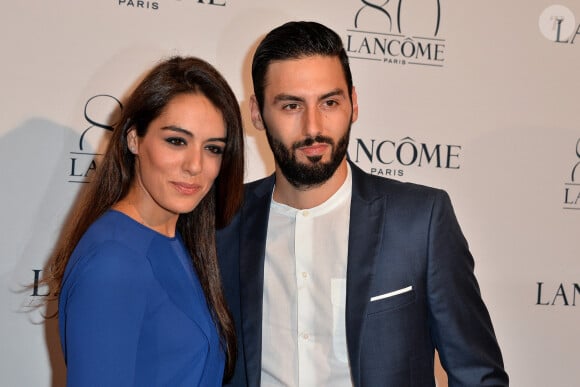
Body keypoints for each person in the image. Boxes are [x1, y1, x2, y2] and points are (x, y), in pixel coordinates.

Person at [216, 21, 509, 386]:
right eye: (291, 105)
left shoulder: (419, 222)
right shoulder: (222, 222)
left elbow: (477, 375)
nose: (313, 127)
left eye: (330, 102)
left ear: (354, 104)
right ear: (257, 113)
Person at [45, 56, 244, 386]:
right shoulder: (114, 262)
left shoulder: (179, 241)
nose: (195, 165)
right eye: (176, 141)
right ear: (134, 138)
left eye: (213, 148)